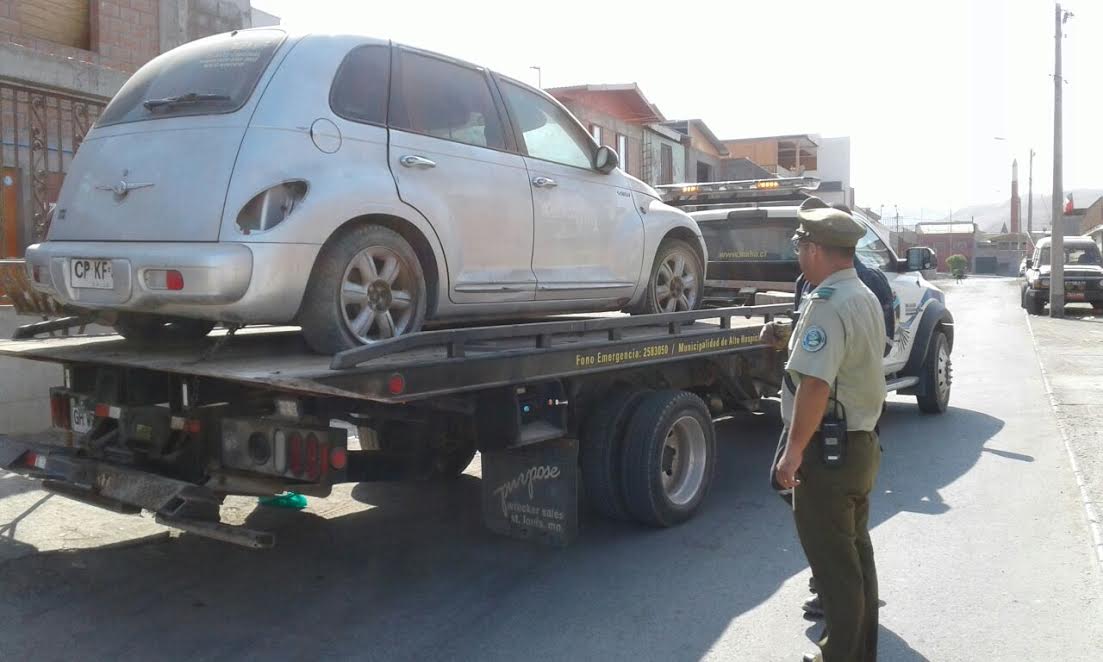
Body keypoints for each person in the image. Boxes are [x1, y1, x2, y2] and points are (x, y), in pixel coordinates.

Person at [771, 197, 887, 662]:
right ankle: (860, 651)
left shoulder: (826, 304)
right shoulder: (863, 295)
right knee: (857, 556)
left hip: (829, 452)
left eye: (801, 246)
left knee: (835, 567)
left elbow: (816, 385)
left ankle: (839, 656)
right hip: (861, 445)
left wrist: (793, 452)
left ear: (816, 249)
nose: (798, 255)